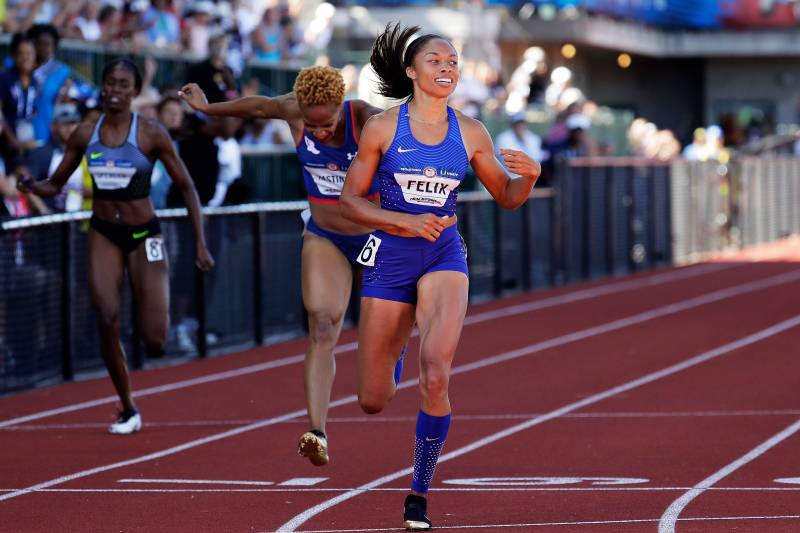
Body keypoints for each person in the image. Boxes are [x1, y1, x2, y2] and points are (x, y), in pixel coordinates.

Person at [339, 23, 540, 530]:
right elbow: (349, 202)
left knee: (437, 372)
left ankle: (418, 492)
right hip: (389, 256)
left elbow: (508, 197)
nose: (447, 68)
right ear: (410, 71)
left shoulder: (471, 132)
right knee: (372, 400)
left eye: (453, 62)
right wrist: (403, 220)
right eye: (436, 61)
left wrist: (530, 178)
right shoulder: (384, 128)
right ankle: (400, 341)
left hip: (443, 254)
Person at [178, 65, 406, 467]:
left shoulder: (368, 118)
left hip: (376, 236)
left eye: (326, 124)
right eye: (311, 125)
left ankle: (393, 349)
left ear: (341, 105)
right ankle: (316, 431)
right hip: (326, 233)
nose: (318, 132)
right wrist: (209, 108)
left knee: (378, 375)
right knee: (321, 324)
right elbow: (260, 107)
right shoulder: (294, 110)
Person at [18, 59, 214, 434]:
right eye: (110, 83)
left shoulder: (152, 133)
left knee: (155, 338)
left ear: (135, 91)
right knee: (106, 317)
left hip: (145, 235)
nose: (115, 90)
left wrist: (200, 242)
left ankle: (150, 311)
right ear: (102, 88)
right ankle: (127, 407)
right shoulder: (85, 133)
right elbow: (55, 184)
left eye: (124, 84)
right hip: (104, 231)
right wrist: (32, 185)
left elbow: (187, 187)